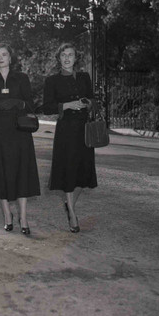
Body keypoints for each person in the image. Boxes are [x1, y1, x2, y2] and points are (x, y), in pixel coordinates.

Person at [0, 43, 41, 236]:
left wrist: (18, 102)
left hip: (19, 131)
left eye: (4, 55)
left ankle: (23, 217)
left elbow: (31, 104)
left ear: (11, 57)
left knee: (21, 172)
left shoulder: (21, 78)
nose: (1, 58)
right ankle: (7, 215)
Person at [42, 42, 97, 233]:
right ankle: (72, 214)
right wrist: (67, 105)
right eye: (63, 55)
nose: (67, 58)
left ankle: (68, 203)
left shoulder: (84, 77)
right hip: (66, 131)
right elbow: (47, 107)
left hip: (84, 130)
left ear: (76, 58)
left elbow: (93, 99)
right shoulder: (52, 81)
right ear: (59, 58)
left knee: (83, 174)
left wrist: (87, 103)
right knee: (68, 172)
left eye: (70, 55)